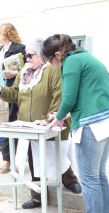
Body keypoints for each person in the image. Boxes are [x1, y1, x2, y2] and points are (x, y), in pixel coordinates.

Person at [0, 38, 82, 209]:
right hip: (28, 127)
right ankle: (38, 196)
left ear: (40, 55)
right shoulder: (24, 72)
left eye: (30, 55)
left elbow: (58, 96)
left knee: (57, 157)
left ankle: (70, 181)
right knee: (34, 162)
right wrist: (1, 90)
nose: (27, 59)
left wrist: (49, 120)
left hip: (49, 125)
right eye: (26, 56)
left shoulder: (52, 70)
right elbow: (16, 94)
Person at [44, 34, 109, 213]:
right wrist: (61, 116)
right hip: (104, 123)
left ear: (57, 55)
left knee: (89, 179)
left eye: (50, 61)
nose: (52, 65)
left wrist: (58, 117)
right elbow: (87, 97)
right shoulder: (86, 57)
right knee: (99, 175)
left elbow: (68, 99)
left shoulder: (71, 62)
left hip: (90, 127)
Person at [0, 22, 26, 173]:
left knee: (11, 125)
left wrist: (15, 74)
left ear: (6, 33)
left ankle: (8, 160)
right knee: (3, 125)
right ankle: (7, 159)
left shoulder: (20, 48)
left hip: (12, 91)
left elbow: (28, 70)